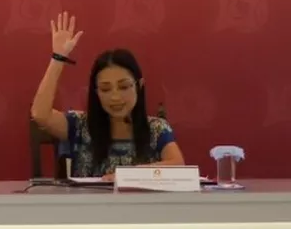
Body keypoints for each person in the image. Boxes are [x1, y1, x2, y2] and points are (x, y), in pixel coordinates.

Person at [30, 12, 184, 177]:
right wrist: (58, 58)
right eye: (105, 89)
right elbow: (40, 114)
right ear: (96, 92)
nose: (115, 97)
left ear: (139, 86)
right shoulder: (81, 126)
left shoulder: (156, 129)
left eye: (124, 87)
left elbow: (178, 167)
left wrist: (127, 175)